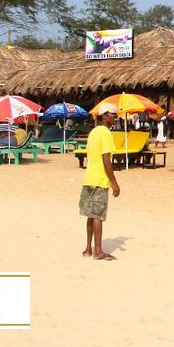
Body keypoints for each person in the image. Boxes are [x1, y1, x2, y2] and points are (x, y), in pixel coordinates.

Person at [79, 103, 121, 261]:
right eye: (112, 115)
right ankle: (98, 251)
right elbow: (106, 160)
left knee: (90, 214)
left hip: (89, 177)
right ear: (104, 116)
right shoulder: (105, 133)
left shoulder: (93, 132)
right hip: (99, 179)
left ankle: (88, 248)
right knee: (98, 215)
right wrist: (114, 182)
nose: (115, 117)